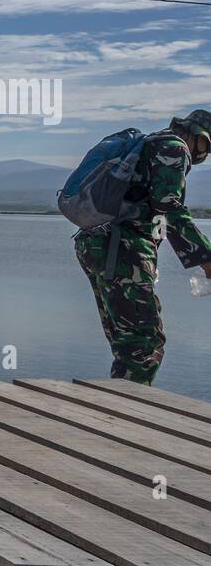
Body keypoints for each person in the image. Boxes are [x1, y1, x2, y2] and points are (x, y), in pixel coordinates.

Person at [76, 109, 211, 384]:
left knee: (127, 342)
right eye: (207, 145)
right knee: (143, 345)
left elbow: (157, 212)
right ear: (194, 134)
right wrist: (206, 259)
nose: (206, 155)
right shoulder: (175, 147)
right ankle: (126, 417)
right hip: (122, 250)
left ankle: (114, 412)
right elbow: (168, 206)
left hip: (97, 243)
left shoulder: (151, 142)